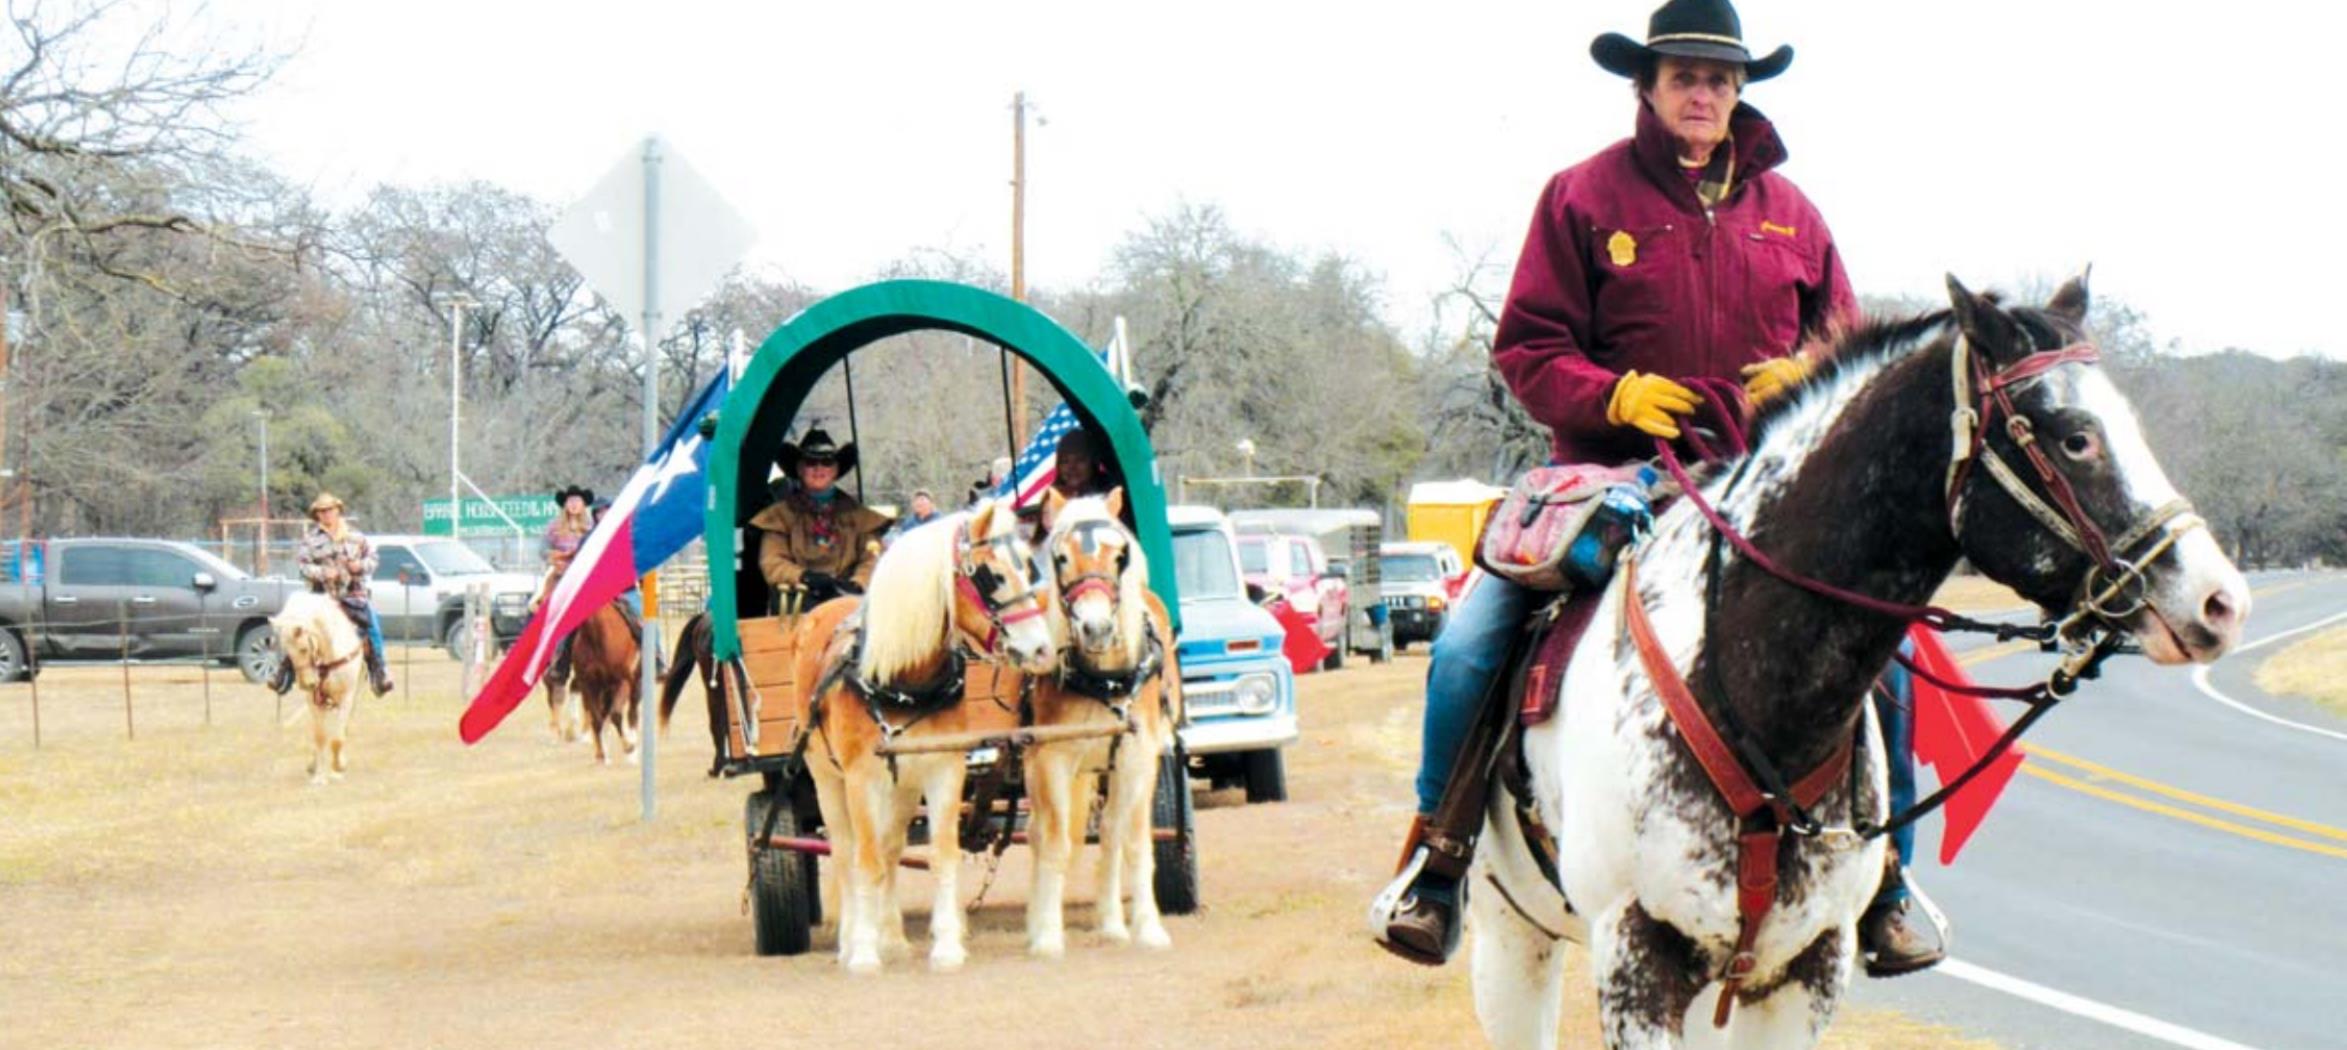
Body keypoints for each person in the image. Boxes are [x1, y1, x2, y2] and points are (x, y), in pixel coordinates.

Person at [1373, 0, 1946, 974]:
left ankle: (1883, 879)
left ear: (1739, 92)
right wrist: (1612, 395)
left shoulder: (1794, 215)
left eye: (1721, 78)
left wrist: (1805, 376)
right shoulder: (1581, 198)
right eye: (1684, 74)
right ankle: (1439, 855)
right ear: (1645, 83)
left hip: (1761, 491)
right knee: (1472, 638)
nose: (1703, 92)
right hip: (1611, 477)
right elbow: (1526, 348)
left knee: (1883, 651)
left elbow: (1843, 353)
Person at [748, 428, 890, 607]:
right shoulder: (779, 516)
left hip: (849, 606)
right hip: (796, 607)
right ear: (799, 469)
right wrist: (805, 577)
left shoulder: (859, 517)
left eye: (827, 462)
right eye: (810, 462)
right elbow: (772, 562)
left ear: (836, 470)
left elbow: (871, 559)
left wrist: (857, 584)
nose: (819, 468)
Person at [272, 493, 394, 696]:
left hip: (352, 594)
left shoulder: (356, 536)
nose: (326, 514)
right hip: (321, 597)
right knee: (296, 631)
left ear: (338, 510)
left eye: (330, 509)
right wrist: (322, 573)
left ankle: (379, 671)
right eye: (322, 511)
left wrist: (359, 566)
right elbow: (303, 566)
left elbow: (373, 560)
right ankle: (284, 672)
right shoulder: (310, 539)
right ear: (317, 515)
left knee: (371, 623)